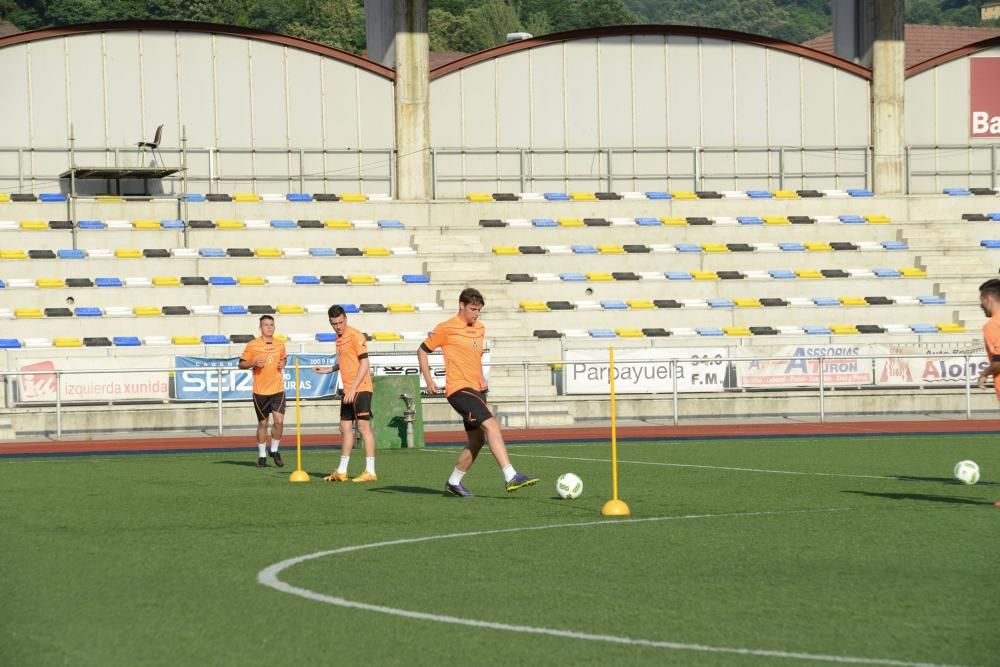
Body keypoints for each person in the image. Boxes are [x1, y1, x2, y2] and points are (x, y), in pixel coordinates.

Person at [418, 287, 538, 497]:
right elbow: (422, 350)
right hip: (458, 390)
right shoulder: (446, 328)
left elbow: (474, 357)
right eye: (473, 309)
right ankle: (510, 475)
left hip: (477, 390)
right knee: (492, 424)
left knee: (477, 439)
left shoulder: (480, 328)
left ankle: (454, 482)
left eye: (479, 310)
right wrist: (429, 380)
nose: (476, 313)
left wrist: (481, 378)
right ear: (461, 306)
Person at [314, 306, 378, 482]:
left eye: (341, 322)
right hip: (348, 390)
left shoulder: (356, 336)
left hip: (361, 388)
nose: (338, 326)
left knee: (364, 428)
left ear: (346, 319)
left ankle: (370, 471)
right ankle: (342, 471)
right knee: (344, 428)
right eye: (334, 324)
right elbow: (345, 361)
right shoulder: (338, 339)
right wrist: (330, 369)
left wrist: (352, 388)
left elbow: (365, 364)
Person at [238, 315, 287, 468]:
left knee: (279, 422)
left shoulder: (280, 344)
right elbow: (240, 364)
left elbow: (284, 359)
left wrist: (283, 363)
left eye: (271, 324)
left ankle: (274, 450)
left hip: (277, 390)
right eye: (266, 325)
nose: (269, 327)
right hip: (260, 391)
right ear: (260, 328)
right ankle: (261, 455)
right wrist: (253, 362)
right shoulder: (252, 345)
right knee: (263, 423)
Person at [976, 278, 1000, 395]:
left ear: (988, 299)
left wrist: (984, 373)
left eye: (982, 301)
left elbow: (999, 361)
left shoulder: (993, 325)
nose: (981, 305)